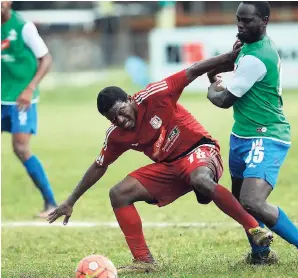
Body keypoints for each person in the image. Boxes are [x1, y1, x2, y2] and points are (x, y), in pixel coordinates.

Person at [47, 48, 274, 273]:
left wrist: (228, 57)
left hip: (200, 149)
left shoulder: (155, 94)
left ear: (129, 98)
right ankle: (144, 260)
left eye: (121, 111)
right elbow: (99, 165)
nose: (120, 120)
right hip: (170, 166)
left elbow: (193, 70)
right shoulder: (116, 135)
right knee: (119, 193)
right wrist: (71, 201)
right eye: (113, 119)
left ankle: (253, 228)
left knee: (201, 179)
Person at [207, 1, 298, 272]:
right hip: (242, 135)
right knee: (242, 200)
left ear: (264, 21)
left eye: (247, 21)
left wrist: (212, 87)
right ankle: (261, 254)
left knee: (252, 201)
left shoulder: (256, 56)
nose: (241, 25)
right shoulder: (248, 47)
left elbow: (223, 100)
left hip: (267, 134)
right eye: (238, 19)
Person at [1, 1, 57, 218]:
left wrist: (30, 87)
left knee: (21, 149)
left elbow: (46, 58)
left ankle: (50, 202)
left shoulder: (23, 27)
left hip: (21, 98)